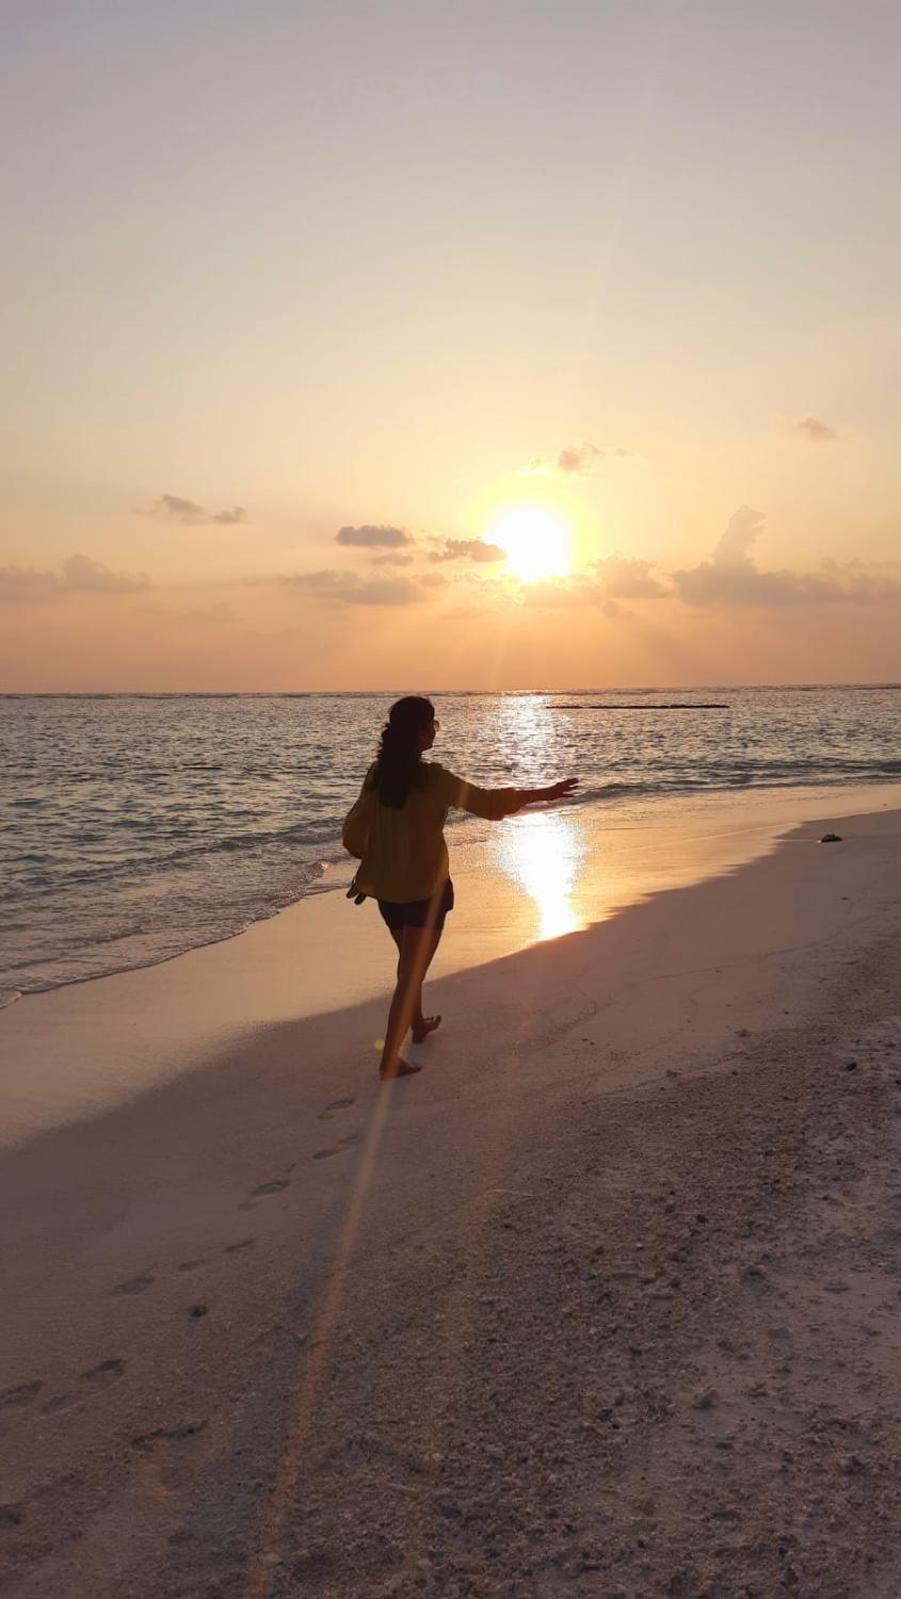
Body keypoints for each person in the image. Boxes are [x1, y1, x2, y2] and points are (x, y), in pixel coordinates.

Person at [342, 695, 578, 1081]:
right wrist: (543, 793)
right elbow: (488, 803)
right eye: (432, 724)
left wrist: (371, 864)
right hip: (425, 890)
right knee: (410, 973)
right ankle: (389, 1060)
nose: (435, 730)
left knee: (408, 964)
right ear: (420, 733)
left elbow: (354, 830)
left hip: (387, 890)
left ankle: (417, 1025)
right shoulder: (434, 780)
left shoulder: (377, 774)